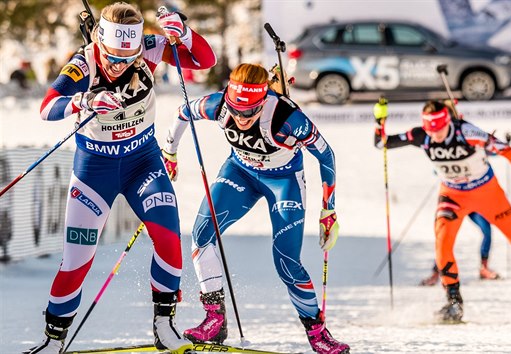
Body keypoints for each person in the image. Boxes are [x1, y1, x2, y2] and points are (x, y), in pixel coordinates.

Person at [26, 2, 216, 353]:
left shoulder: (148, 46)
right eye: (112, 57)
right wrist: (84, 101)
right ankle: (53, 339)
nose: (118, 65)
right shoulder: (84, 62)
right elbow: (47, 108)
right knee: (77, 260)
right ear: (101, 40)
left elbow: (205, 61)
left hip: (143, 164)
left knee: (170, 241)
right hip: (94, 170)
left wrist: (184, 33)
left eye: (126, 59)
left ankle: (164, 324)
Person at [161, 63, 350, 354]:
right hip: (240, 173)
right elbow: (183, 112)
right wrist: (170, 152)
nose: (241, 117)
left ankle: (318, 334)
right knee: (201, 235)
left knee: (286, 261)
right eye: (236, 110)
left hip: (283, 182)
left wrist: (329, 210)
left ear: (262, 101)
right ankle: (215, 319)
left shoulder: (287, 118)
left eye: (249, 112)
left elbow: (326, 155)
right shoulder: (219, 105)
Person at [373, 99, 511, 322]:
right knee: (442, 243)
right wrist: (379, 121)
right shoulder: (421, 135)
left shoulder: (469, 132)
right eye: (431, 130)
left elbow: (505, 149)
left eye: (439, 129)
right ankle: (454, 302)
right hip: (452, 196)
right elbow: (381, 143)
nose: (436, 135)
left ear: (448, 121)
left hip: (488, 194)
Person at [420, 211, 499, 286]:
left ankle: (484, 269)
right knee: (445, 235)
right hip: (457, 203)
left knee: (487, 231)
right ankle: (436, 272)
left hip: (474, 205)